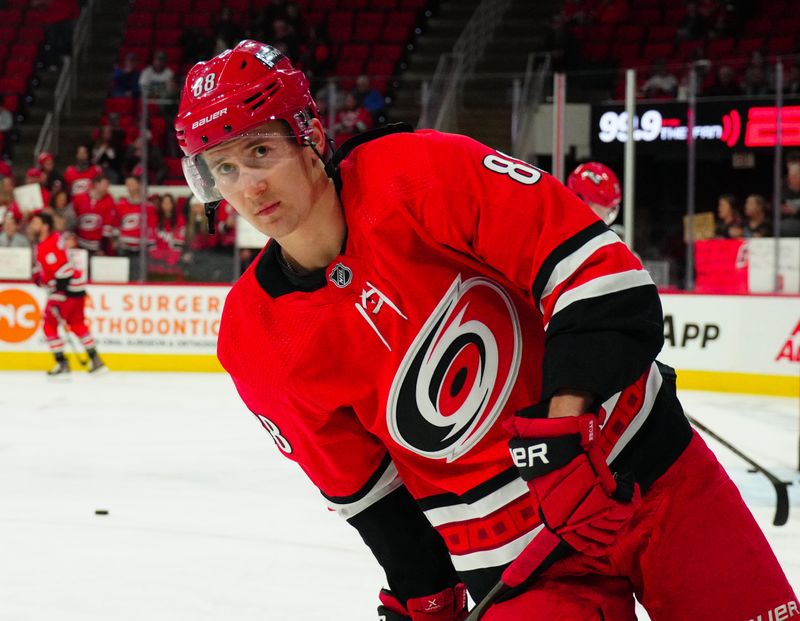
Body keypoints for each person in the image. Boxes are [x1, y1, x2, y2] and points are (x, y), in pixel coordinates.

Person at [174, 41, 798, 620]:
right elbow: (373, 499)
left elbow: (607, 284)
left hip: (647, 473)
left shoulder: (420, 171)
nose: (249, 186)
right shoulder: (254, 338)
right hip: (519, 565)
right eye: (223, 167)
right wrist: (423, 599)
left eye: (261, 151)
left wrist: (560, 433)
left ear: (308, 135)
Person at [28, 211, 106, 376]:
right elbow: (46, 268)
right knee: (77, 324)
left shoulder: (49, 244)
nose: (32, 226)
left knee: (49, 325)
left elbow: (64, 271)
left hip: (66, 289)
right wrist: (38, 276)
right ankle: (96, 360)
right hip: (75, 287)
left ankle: (62, 362)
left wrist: (58, 296)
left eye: (36, 223)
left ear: (45, 226)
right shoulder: (47, 241)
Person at [72, 173, 117, 255]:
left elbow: (107, 228)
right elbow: (72, 219)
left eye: (108, 185)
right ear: (96, 184)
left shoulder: (109, 201)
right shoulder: (79, 199)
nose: (107, 188)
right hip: (80, 243)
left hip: (97, 247)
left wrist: (102, 248)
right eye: (105, 185)